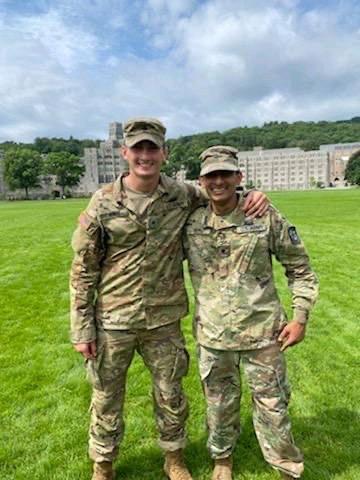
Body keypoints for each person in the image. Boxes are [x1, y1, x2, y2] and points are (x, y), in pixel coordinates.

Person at [70, 119, 269, 480]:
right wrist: (82, 328)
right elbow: (83, 269)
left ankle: (174, 458)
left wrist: (253, 194)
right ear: (124, 153)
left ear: (164, 153)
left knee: (171, 395)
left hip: (163, 321)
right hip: (113, 320)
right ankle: (103, 464)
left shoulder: (182, 195)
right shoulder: (102, 203)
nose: (145, 155)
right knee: (106, 397)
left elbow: (222, 193)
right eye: (138, 148)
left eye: (152, 148)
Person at [183, 146, 319, 480]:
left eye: (225, 174)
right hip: (213, 335)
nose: (218, 182)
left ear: (238, 177)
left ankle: (287, 467)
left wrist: (300, 317)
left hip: (263, 334)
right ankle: (222, 460)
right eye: (211, 175)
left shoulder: (263, 215)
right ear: (201, 181)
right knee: (219, 406)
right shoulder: (191, 221)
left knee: (273, 405)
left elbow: (300, 268)